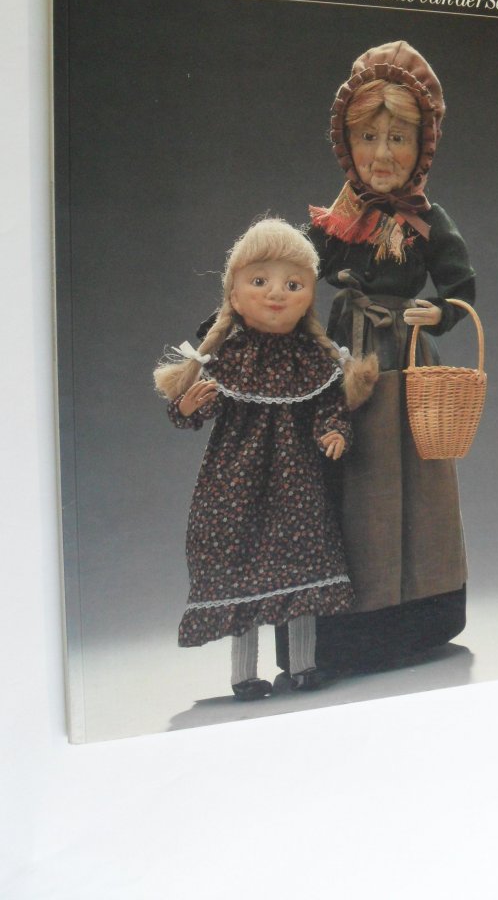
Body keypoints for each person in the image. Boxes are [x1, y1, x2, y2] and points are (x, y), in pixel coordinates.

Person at [304, 39, 476, 674]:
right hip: (344, 359)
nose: (382, 155)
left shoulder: (427, 219)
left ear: (422, 146)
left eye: (398, 139)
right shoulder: (339, 219)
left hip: (405, 360)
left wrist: (440, 311)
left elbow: (461, 287)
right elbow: (296, 269)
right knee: (352, 480)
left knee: (415, 486)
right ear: (346, 143)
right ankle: (348, 623)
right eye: (368, 137)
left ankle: (423, 609)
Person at [153, 219, 377, 700]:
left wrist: (334, 431)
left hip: (298, 485)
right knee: (240, 561)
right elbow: (192, 410)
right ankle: (244, 675)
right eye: (260, 281)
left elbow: (330, 405)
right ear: (234, 296)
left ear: (309, 297)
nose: (276, 293)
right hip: (235, 483)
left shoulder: (311, 359)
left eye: (293, 285)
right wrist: (188, 407)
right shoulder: (230, 357)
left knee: (304, 562)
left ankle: (303, 666)